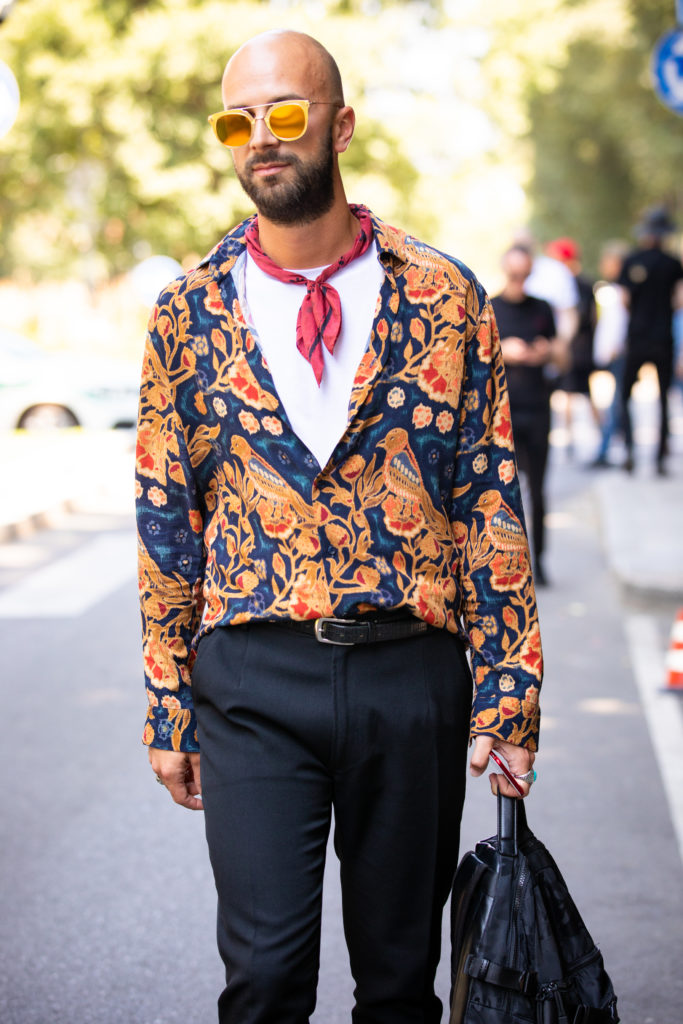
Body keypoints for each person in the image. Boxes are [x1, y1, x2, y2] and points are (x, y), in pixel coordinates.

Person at [136, 30, 540, 1024]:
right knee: (265, 978)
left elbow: (488, 499)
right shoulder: (185, 315)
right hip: (250, 682)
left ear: (340, 125)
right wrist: (166, 703)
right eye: (239, 121)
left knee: (399, 988)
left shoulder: (443, 298)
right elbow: (164, 520)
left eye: (284, 114)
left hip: (411, 677)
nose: (260, 139)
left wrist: (509, 689)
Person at [491, 245, 558, 586]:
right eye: (513, 274)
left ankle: (540, 560)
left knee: (539, 490)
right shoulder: (492, 308)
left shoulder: (543, 308)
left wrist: (547, 352)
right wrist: (505, 351)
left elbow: (562, 356)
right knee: (503, 492)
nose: (519, 280)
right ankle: (507, 561)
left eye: (524, 274)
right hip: (504, 413)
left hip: (538, 407)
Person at [618, 206, 683, 475]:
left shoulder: (632, 260)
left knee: (625, 395)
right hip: (663, 337)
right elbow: (679, 300)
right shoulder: (673, 263)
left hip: (638, 336)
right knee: (663, 398)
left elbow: (623, 300)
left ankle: (631, 450)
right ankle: (658, 457)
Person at [545, 237, 599, 456]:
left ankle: (577, 439)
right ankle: (592, 437)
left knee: (571, 394)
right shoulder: (577, 283)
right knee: (577, 394)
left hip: (576, 348)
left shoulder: (575, 284)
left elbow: (582, 317)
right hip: (579, 347)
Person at [590, 241, 630, 468]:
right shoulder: (612, 289)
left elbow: (621, 324)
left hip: (619, 354)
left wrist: (616, 347)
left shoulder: (623, 292)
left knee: (617, 404)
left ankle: (605, 450)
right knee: (618, 403)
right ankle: (619, 449)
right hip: (612, 354)